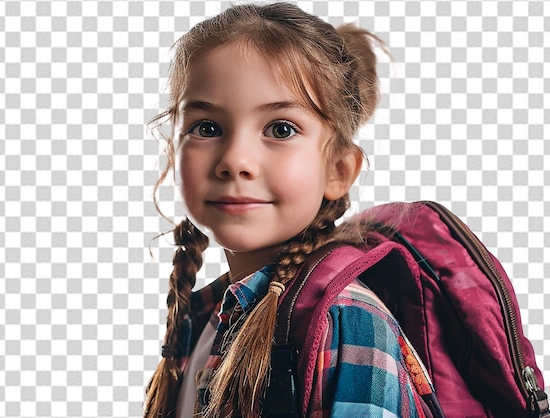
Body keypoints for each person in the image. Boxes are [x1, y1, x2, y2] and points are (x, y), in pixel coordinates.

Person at [145, 3, 430, 417]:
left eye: (281, 129)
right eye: (207, 127)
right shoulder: (205, 319)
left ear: (337, 169)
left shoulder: (345, 322)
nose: (235, 160)